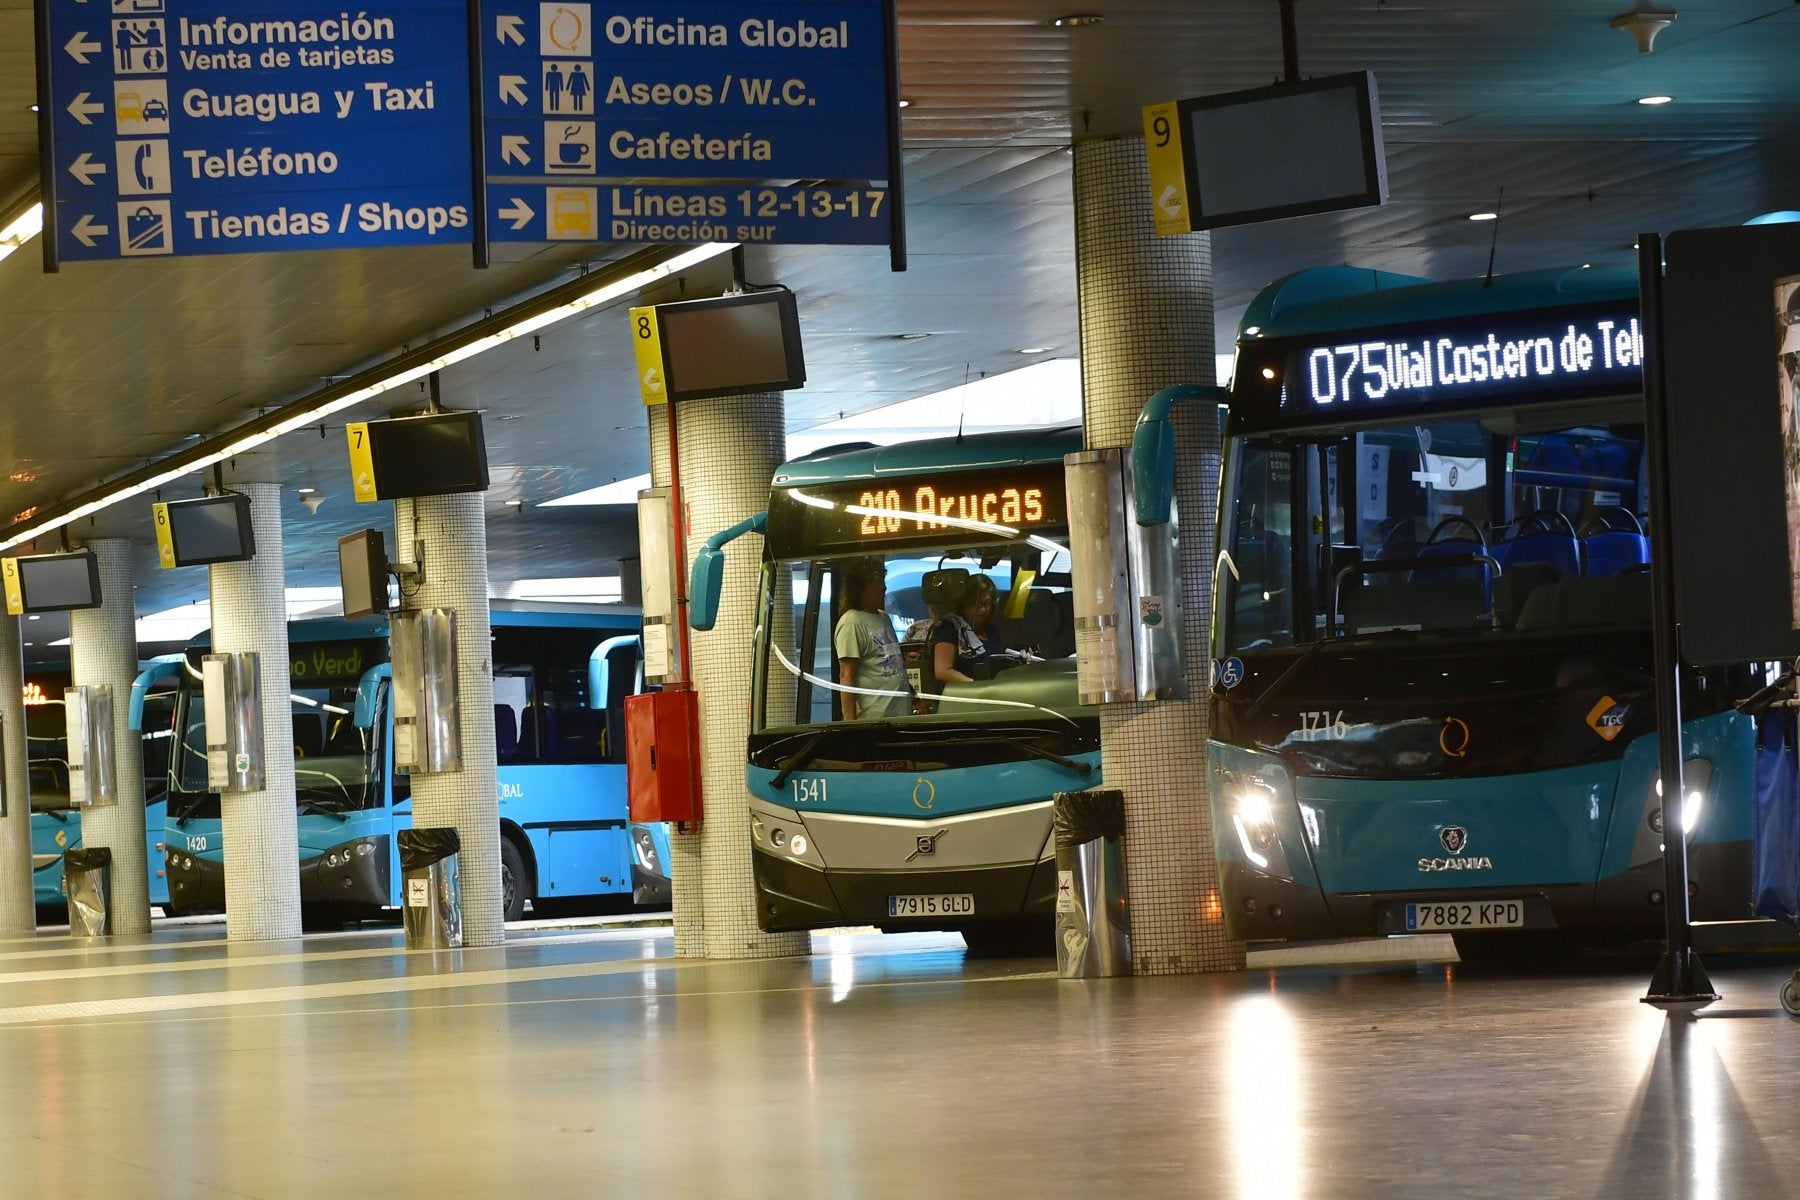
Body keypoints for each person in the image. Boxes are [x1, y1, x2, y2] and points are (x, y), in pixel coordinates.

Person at [833, 561, 911, 721]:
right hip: (875, 719)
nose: (883, 587)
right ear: (859, 589)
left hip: (900, 715)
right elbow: (846, 675)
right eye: (875, 582)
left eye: (882, 581)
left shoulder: (883, 617)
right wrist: (851, 725)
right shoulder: (852, 622)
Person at [933, 574, 1006, 685]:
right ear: (964, 604)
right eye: (976, 604)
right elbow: (943, 672)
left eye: (987, 604)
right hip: (963, 696)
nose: (982, 610)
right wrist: (976, 686)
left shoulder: (992, 630)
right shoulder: (950, 628)